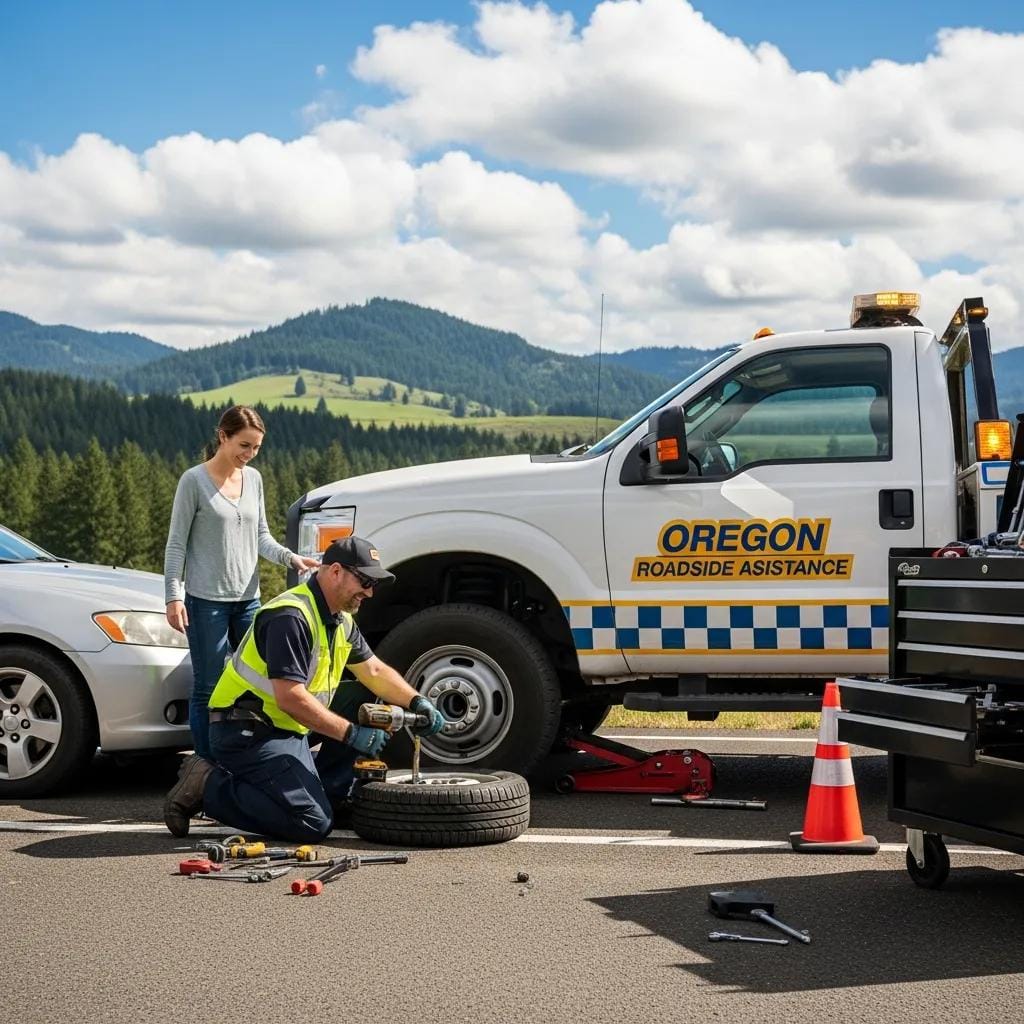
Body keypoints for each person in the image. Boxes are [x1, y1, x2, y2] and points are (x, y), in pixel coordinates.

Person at [162, 535, 445, 842]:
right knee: (312, 823)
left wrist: (417, 702)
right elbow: (289, 697)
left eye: (373, 583)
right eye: (364, 580)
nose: (370, 592)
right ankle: (207, 784)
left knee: (366, 698)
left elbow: (374, 671)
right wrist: (352, 734)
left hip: (289, 726)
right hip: (247, 730)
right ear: (335, 571)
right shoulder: (290, 616)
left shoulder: (341, 621)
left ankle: (334, 795)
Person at [164, 405, 320, 760]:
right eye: (244, 446)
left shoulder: (254, 480)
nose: (249, 455)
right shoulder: (194, 481)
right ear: (223, 436)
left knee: (262, 679)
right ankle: (205, 773)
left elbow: (261, 536)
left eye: (256, 448)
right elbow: (176, 544)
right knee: (208, 687)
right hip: (205, 603)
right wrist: (174, 596)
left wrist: (291, 557)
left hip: (249, 601)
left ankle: (253, 759)